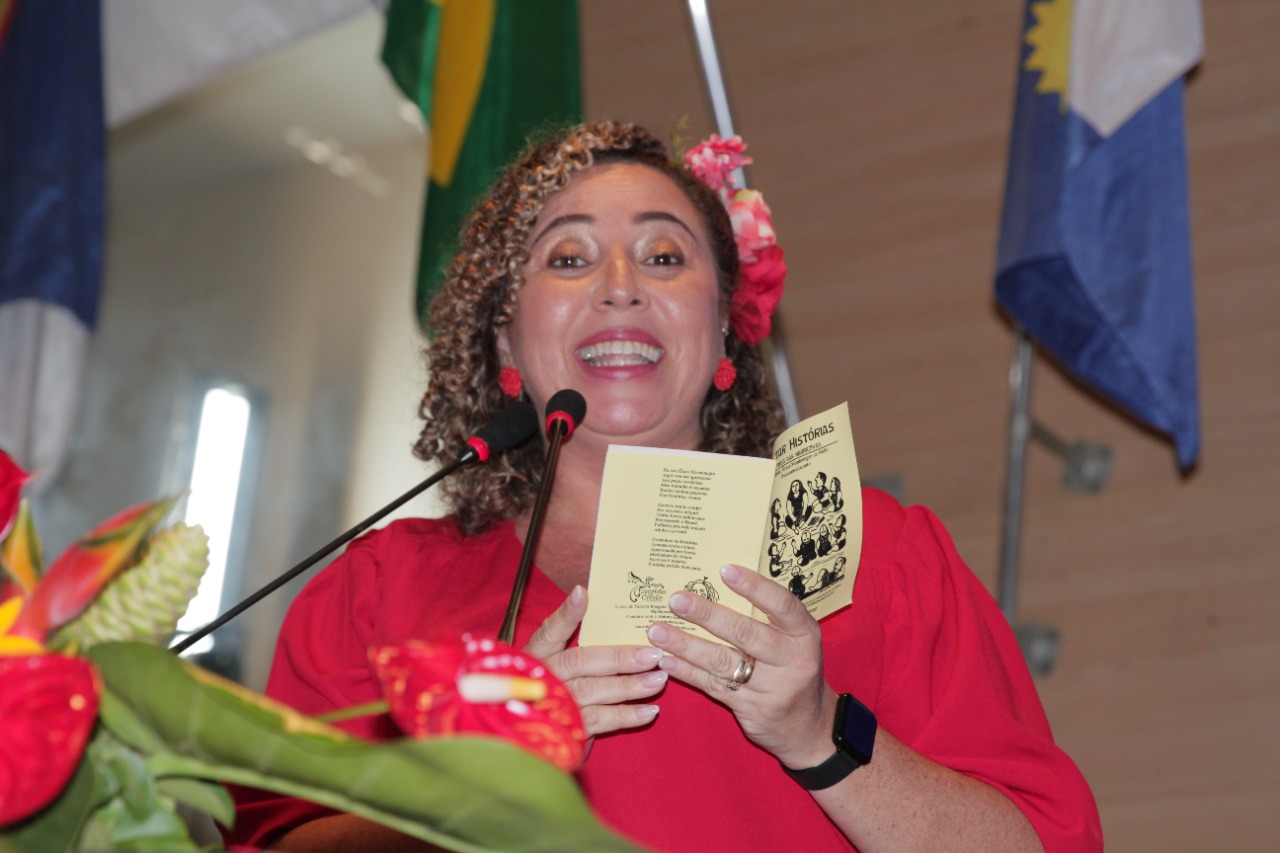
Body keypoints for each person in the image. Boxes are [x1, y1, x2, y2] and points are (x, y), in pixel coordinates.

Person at [227, 121, 1101, 852]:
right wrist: (474, 779)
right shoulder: (378, 590)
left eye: (663, 254)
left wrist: (819, 731)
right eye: (569, 257)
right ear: (504, 342)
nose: (620, 288)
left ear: (723, 330)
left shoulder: (879, 552)